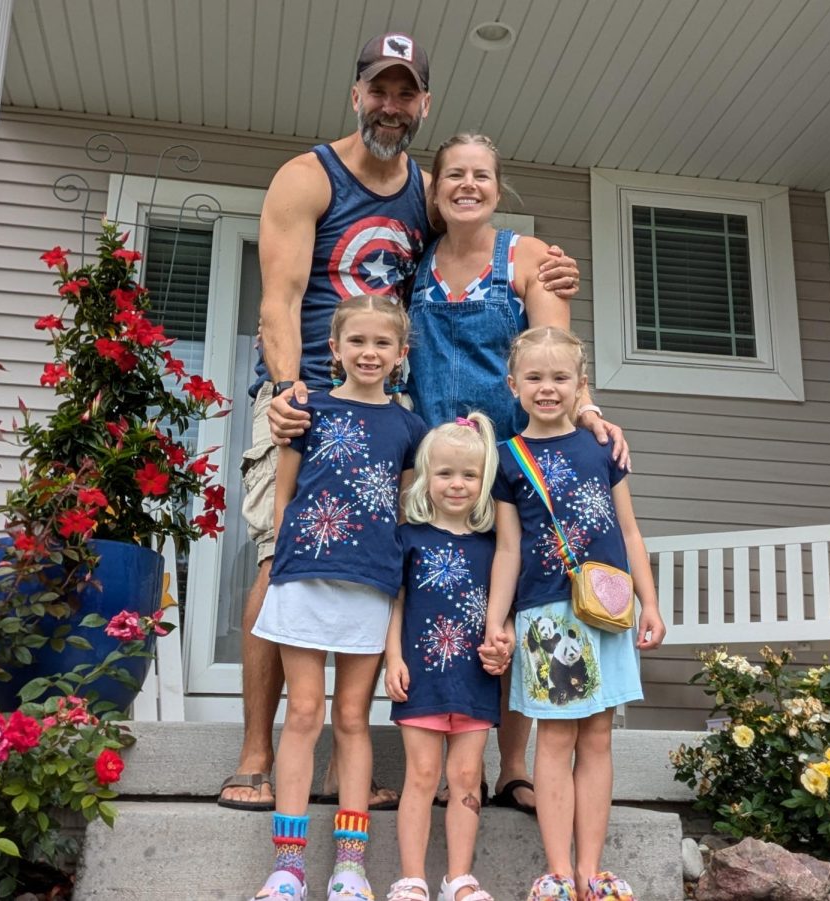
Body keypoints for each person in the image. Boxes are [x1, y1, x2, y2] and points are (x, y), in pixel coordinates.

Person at [221, 31, 581, 811]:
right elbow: (277, 299)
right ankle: (255, 753)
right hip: (308, 396)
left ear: (423, 104)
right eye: (378, 89)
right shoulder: (307, 176)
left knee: (370, 567)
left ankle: (338, 758)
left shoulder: (424, 190)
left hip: (392, 412)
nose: (391, 104)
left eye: (405, 92)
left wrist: (546, 262)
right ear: (356, 94)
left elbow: (473, 231)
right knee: (282, 558)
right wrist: (288, 389)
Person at [405, 134, 630, 814]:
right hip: (440, 465)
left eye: (481, 176)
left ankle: (509, 763)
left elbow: (551, 352)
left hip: (514, 464)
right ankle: (450, 758)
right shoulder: (415, 265)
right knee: (449, 610)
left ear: (498, 190)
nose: (467, 185)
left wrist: (588, 411)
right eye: (454, 176)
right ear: (436, 190)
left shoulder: (527, 258)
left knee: (512, 607)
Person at [250, 296, 427, 901]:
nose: (369, 353)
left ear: (402, 354)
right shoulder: (306, 409)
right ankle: (288, 866)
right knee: (303, 713)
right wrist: (280, 555)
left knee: (353, 718)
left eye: (383, 343)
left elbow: (403, 506)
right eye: (357, 341)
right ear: (335, 348)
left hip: (371, 581)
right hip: (305, 573)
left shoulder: (409, 426)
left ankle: (350, 865)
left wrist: (400, 579)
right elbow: (286, 489)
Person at [481, 327, 666, 901]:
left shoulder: (602, 447)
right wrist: (498, 618)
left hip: (608, 612)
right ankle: (557, 870)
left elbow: (629, 531)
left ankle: (592, 869)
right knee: (555, 742)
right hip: (546, 616)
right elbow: (508, 548)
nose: (547, 388)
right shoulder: (509, 460)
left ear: (581, 385)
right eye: (534, 378)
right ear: (513, 386)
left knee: (599, 738)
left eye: (560, 378)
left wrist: (650, 601)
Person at [384, 412, 500, 901]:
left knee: (467, 776)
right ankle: (412, 878)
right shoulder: (408, 538)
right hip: (422, 676)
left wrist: (504, 639)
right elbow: (396, 603)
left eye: (469, 475)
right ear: (426, 476)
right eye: (446, 473)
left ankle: (459, 878)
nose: (457, 484)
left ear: (484, 481)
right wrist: (393, 658)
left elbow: (504, 606)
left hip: (475, 678)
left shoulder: (494, 547)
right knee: (423, 776)